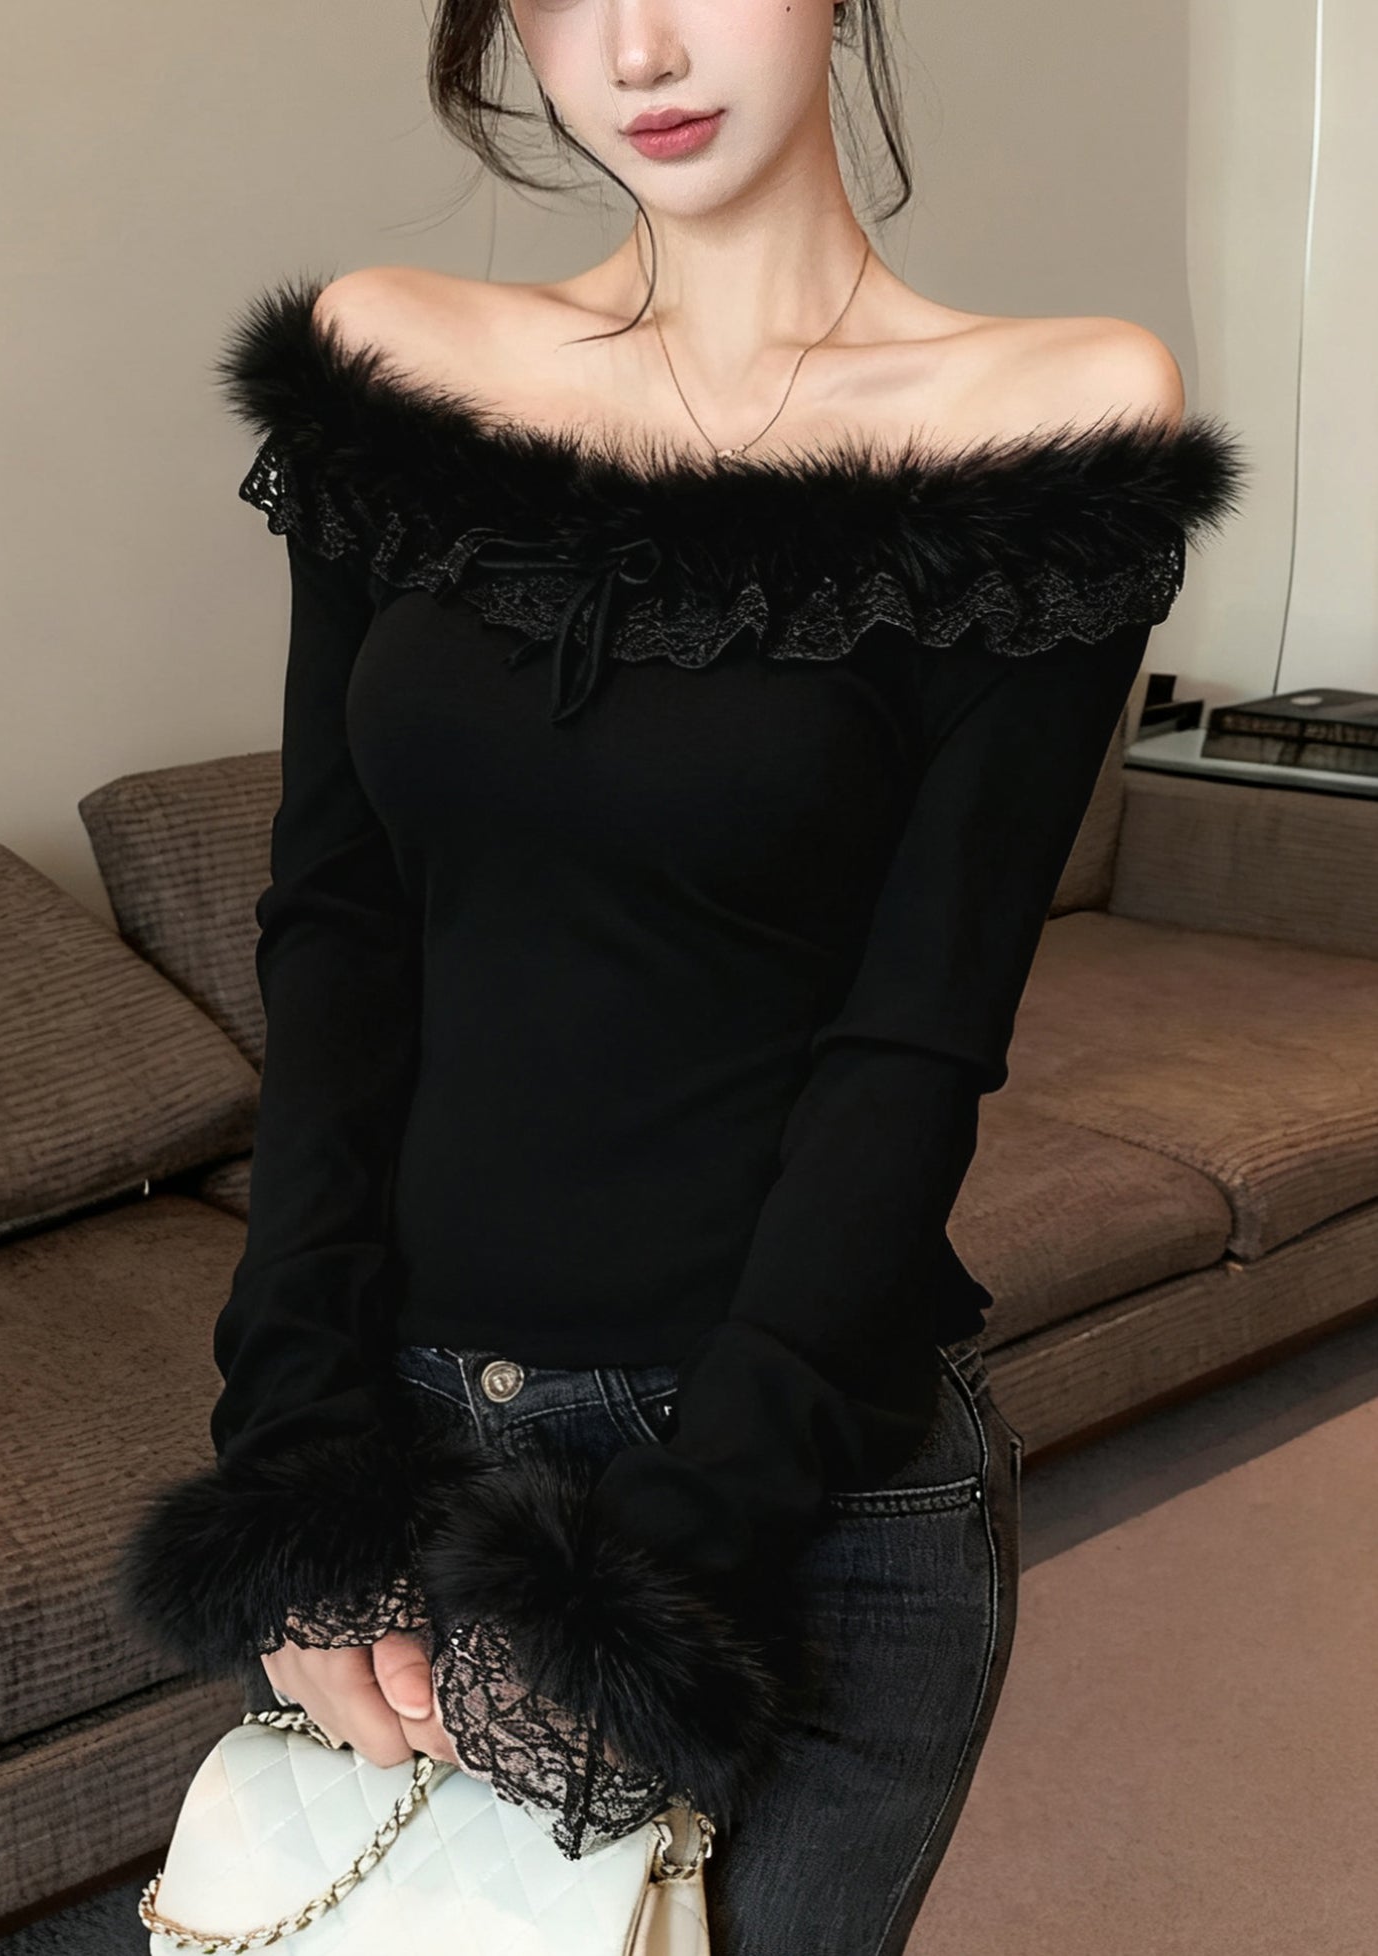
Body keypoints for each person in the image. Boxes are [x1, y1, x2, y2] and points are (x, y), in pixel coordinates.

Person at [117, 2, 1248, 1947]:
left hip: (789, 1459)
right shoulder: (398, 369)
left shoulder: (1052, 421)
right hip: (401, 1429)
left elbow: (919, 1033)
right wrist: (296, 1466)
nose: (635, 47)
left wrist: (682, 1542)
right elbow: (337, 934)